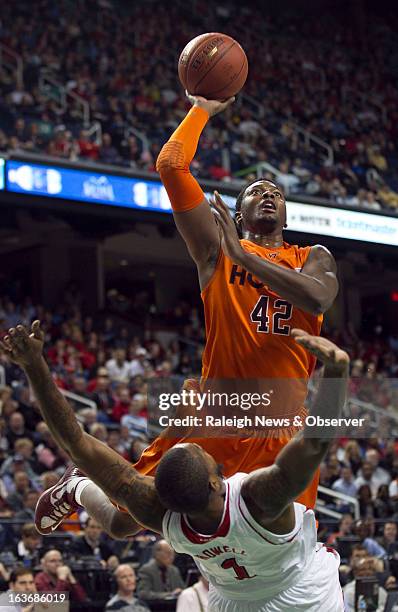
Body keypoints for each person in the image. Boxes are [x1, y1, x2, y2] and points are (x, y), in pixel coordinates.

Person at [33, 95, 338, 539]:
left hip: (284, 424)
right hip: (219, 412)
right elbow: (171, 166)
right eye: (255, 191)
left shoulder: (313, 256)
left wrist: (247, 259)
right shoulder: (215, 249)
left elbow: (318, 299)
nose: (268, 194)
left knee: (281, 544)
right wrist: (203, 109)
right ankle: (79, 487)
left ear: (287, 212)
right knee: (123, 522)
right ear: (238, 214)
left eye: (276, 191)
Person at [1, 322, 347, 610]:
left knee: (122, 519)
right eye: (206, 454)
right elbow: (315, 441)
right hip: (302, 592)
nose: (206, 446)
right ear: (216, 481)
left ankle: (78, 487)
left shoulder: (160, 514)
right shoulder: (259, 501)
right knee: (121, 520)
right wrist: (337, 371)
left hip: (233, 600)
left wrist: (34, 366)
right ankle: (80, 486)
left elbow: (75, 441)